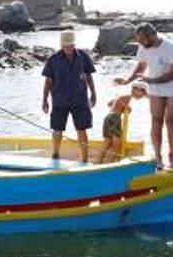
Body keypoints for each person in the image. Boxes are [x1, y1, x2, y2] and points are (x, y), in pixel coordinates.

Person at [115, 23, 173, 169]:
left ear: (153, 35)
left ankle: (172, 155)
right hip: (155, 89)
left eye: (143, 40)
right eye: (139, 40)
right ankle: (158, 158)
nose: (141, 43)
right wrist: (128, 80)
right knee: (156, 120)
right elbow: (141, 66)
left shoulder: (172, 48)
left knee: (171, 121)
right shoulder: (143, 46)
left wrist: (152, 81)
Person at [41, 31, 97, 163]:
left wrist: (94, 94)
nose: (69, 48)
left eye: (71, 46)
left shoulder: (83, 56)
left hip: (80, 100)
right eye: (66, 46)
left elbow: (89, 76)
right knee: (57, 129)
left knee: (82, 129)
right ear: (61, 45)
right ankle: (55, 155)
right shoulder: (53, 59)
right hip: (60, 100)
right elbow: (48, 81)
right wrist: (44, 100)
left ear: (74, 44)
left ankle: (84, 160)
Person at [98, 82, 148, 163]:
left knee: (107, 142)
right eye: (142, 92)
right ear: (135, 90)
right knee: (117, 143)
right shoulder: (128, 97)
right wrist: (126, 107)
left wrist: (118, 105)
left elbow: (109, 103)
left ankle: (99, 161)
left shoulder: (124, 96)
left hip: (108, 117)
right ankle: (111, 162)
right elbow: (124, 104)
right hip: (115, 118)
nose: (142, 96)